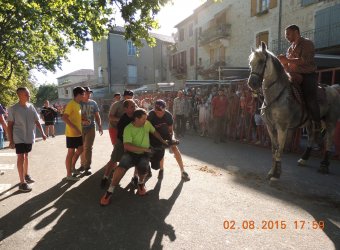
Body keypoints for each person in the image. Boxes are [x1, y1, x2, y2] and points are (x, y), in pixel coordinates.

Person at [100, 108, 168, 206]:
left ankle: (140, 184)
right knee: (120, 168)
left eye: (146, 118)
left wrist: (163, 141)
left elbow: (154, 132)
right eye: (144, 119)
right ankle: (109, 191)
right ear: (136, 118)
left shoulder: (147, 124)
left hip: (144, 154)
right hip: (131, 154)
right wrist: (145, 149)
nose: (146, 121)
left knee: (143, 168)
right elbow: (127, 146)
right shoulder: (128, 128)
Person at [277, 24, 321, 132]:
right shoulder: (289, 49)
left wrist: (287, 60)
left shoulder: (307, 43)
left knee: (310, 99)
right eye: (286, 35)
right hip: (294, 76)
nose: (286, 37)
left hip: (308, 75)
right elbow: (287, 67)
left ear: (296, 32)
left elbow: (304, 60)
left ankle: (317, 124)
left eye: (288, 34)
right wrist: (283, 65)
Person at [7, 87, 47, 192]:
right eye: (26, 94)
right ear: (20, 95)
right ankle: (22, 183)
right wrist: (11, 140)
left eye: (29, 94)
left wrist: (42, 133)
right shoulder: (13, 109)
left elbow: (37, 121)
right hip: (18, 137)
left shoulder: (31, 107)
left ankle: (26, 174)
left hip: (29, 136)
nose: (29, 96)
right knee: (21, 157)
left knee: (26, 155)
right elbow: (9, 125)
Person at [148, 99, 190, 181]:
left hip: (166, 134)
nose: (158, 113)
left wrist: (172, 139)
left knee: (175, 148)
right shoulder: (150, 115)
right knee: (160, 150)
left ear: (164, 109)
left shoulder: (168, 115)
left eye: (160, 111)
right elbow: (147, 129)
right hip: (154, 135)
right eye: (156, 111)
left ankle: (183, 171)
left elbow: (171, 130)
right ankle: (161, 169)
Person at [100, 99, 136, 188]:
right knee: (113, 160)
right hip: (122, 141)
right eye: (131, 106)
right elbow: (123, 135)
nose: (134, 108)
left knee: (138, 160)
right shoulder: (123, 119)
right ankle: (105, 177)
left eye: (134, 105)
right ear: (125, 109)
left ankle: (135, 178)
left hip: (133, 142)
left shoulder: (136, 115)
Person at [77, 86, 103, 175]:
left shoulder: (93, 103)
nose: (89, 94)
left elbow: (97, 115)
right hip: (80, 129)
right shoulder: (78, 103)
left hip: (91, 128)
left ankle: (87, 167)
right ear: (83, 94)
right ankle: (82, 165)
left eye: (89, 93)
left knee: (88, 148)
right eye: (87, 93)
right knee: (81, 148)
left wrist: (100, 125)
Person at [62, 86, 85, 181]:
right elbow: (64, 117)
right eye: (83, 94)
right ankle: (68, 174)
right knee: (70, 153)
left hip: (78, 134)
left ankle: (72, 168)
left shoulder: (78, 104)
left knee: (80, 149)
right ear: (78, 94)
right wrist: (75, 128)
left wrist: (84, 121)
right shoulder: (71, 104)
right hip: (71, 134)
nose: (84, 96)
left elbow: (76, 118)